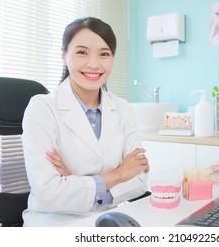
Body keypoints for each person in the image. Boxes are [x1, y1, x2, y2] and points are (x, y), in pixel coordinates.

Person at [21, 17, 150, 226]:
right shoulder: (42, 108)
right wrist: (119, 173)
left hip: (107, 220)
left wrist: (76, 183)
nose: (94, 64)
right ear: (64, 56)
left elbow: (140, 180)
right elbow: (49, 193)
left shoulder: (122, 108)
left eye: (104, 54)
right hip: (54, 224)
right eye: (82, 52)